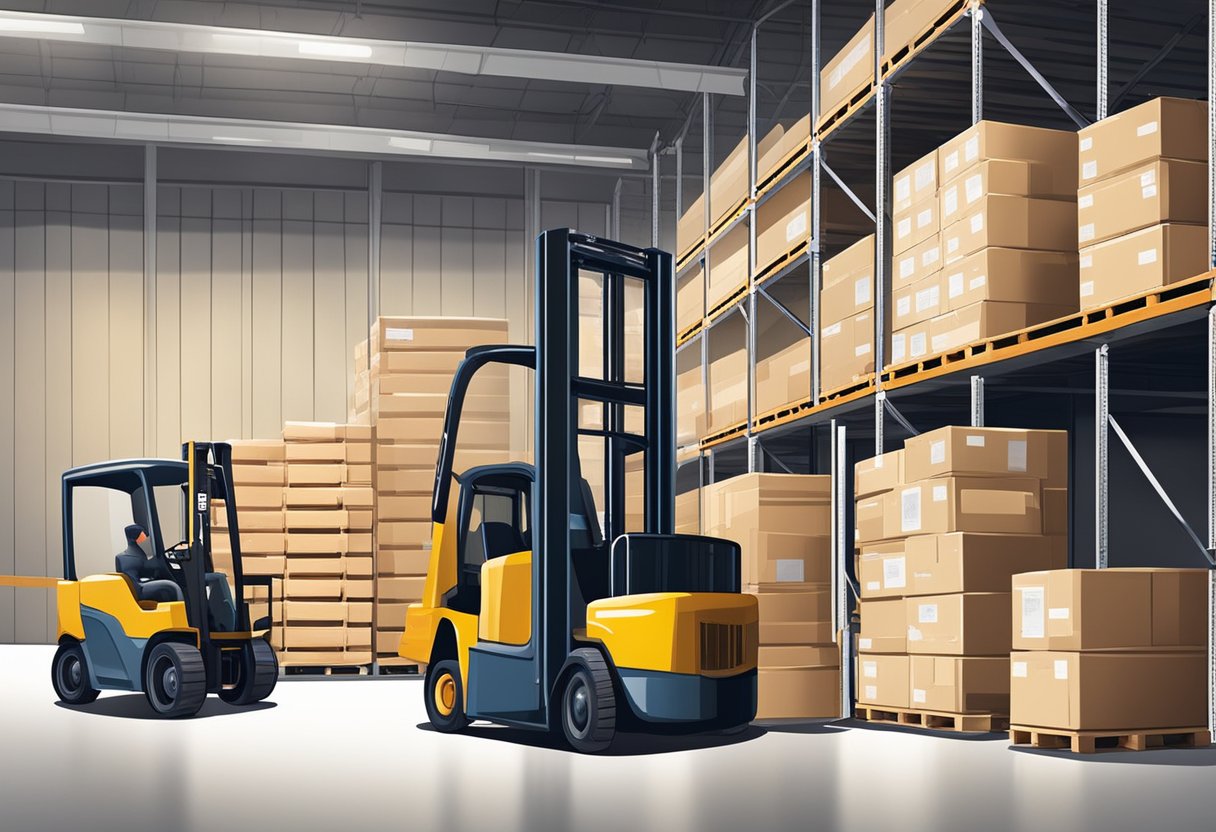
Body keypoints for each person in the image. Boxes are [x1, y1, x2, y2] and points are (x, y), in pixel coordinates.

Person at [115, 524, 184, 604]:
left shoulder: (138, 554)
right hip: (139, 588)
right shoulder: (130, 556)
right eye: (144, 534)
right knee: (173, 587)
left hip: (139, 585)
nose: (147, 537)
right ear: (136, 537)